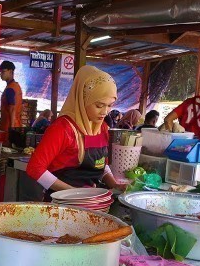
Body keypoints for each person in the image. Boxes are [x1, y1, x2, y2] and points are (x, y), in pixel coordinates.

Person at [26, 65, 128, 201]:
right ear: (82, 99)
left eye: (109, 105)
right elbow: (35, 168)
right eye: (99, 105)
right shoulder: (62, 128)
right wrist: (74, 193)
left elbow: (101, 165)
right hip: (61, 204)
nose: (105, 112)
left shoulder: (102, 128)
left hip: (91, 202)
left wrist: (114, 184)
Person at [0, 60, 23, 134]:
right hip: (16, 125)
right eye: (0, 72)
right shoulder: (16, 86)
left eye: (3, 71)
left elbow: (12, 109)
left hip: (9, 127)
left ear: (11, 71)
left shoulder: (10, 89)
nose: (1, 74)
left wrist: (11, 129)